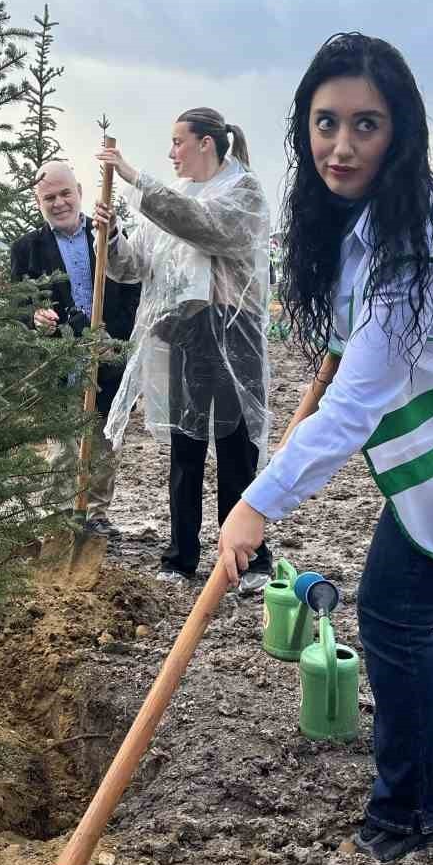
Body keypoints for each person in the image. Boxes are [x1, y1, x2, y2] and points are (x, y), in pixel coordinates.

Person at [216, 32, 433, 863]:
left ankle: (410, 813)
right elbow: (360, 342)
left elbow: (351, 412)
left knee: (393, 610)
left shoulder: (411, 249)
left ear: (399, 131)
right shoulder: (380, 211)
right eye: (325, 123)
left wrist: (255, 506)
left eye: (365, 125)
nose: (341, 146)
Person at [94, 107, 275, 591]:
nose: (171, 152)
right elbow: (133, 266)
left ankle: (249, 558)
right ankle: (180, 558)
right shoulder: (174, 196)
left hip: (232, 332)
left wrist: (135, 178)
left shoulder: (243, 192)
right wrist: (110, 236)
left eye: (178, 142)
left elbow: (204, 226)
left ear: (205, 143)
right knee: (185, 447)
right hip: (183, 333)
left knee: (236, 449)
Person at [11, 160, 142, 535]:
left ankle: (96, 514)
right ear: (38, 202)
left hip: (108, 356)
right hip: (61, 361)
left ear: (80, 192)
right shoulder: (27, 249)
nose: (59, 203)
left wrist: (116, 341)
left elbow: (133, 290)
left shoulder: (107, 236)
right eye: (49, 197)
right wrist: (33, 316)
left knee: (104, 442)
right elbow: (18, 305)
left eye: (65, 193)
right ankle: (60, 518)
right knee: (64, 446)